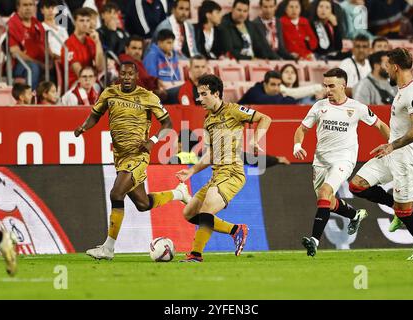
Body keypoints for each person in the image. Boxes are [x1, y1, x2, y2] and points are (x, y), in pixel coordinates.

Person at [75, 61, 191, 260]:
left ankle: (108, 248)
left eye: (130, 74)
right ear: (119, 75)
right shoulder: (109, 93)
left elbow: (167, 123)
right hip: (120, 156)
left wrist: (152, 141)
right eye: (123, 73)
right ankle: (178, 193)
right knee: (143, 204)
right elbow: (95, 115)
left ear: (136, 76)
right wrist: (84, 127)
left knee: (116, 193)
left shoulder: (148, 96)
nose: (127, 77)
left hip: (138, 155)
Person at [293, 68, 390, 257]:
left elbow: (380, 124)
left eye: (331, 86)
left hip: (344, 159)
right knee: (326, 202)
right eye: (325, 86)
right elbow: (302, 129)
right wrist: (297, 145)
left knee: (324, 192)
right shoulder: (319, 106)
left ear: (343, 86)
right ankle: (355, 215)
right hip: (320, 161)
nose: (327, 90)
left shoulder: (357, 108)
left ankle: (314, 240)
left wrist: (392, 146)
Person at [349, 48, 413, 260]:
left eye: (387, 65)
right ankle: (396, 208)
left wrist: (392, 145)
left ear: (395, 67)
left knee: (406, 210)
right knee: (357, 184)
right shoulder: (401, 90)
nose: (385, 69)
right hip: (392, 156)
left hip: (407, 160)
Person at [175, 74, 272, 262]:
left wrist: (254, 140)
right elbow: (211, 154)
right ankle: (236, 230)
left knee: (206, 209)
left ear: (217, 93)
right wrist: (192, 171)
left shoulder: (234, 110)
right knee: (189, 213)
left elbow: (265, 118)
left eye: (204, 94)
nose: (199, 99)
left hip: (233, 172)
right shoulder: (208, 120)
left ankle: (195, 254)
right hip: (216, 174)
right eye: (198, 94)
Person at [62, 8, 105, 89]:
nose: (85, 24)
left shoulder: (91, 41)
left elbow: (100, 67)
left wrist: (98, 43)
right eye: (81, 20)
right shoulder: (68, 44)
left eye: (87, 21)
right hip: (76, 83)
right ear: (75, 22)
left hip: (91, 80)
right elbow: (80, 72)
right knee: (96, 87)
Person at [8, 0, 46, 90]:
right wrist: (38, 63)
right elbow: (15, 52)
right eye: (25, 5)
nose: (28, 8)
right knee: (33, 67)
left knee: (57, 67)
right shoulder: (12, 25)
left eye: (31, 5)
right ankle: (30, 99)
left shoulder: (37, 24)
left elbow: (45, 46)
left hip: (40, 62)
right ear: (18, 7)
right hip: (19, 65)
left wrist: (52, 59)